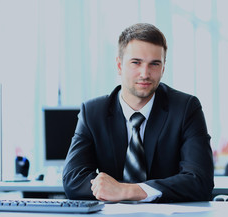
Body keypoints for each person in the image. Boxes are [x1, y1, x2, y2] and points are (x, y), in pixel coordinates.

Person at [62, 23, 214, 203]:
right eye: (136, 62)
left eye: (154, 64)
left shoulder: (186, 108)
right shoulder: (93, 112)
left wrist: (127, 191)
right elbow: (73, 180)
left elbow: (200, 181)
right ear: (119, 65)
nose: (145, 73)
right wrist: (110, 189)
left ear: (163, 68)